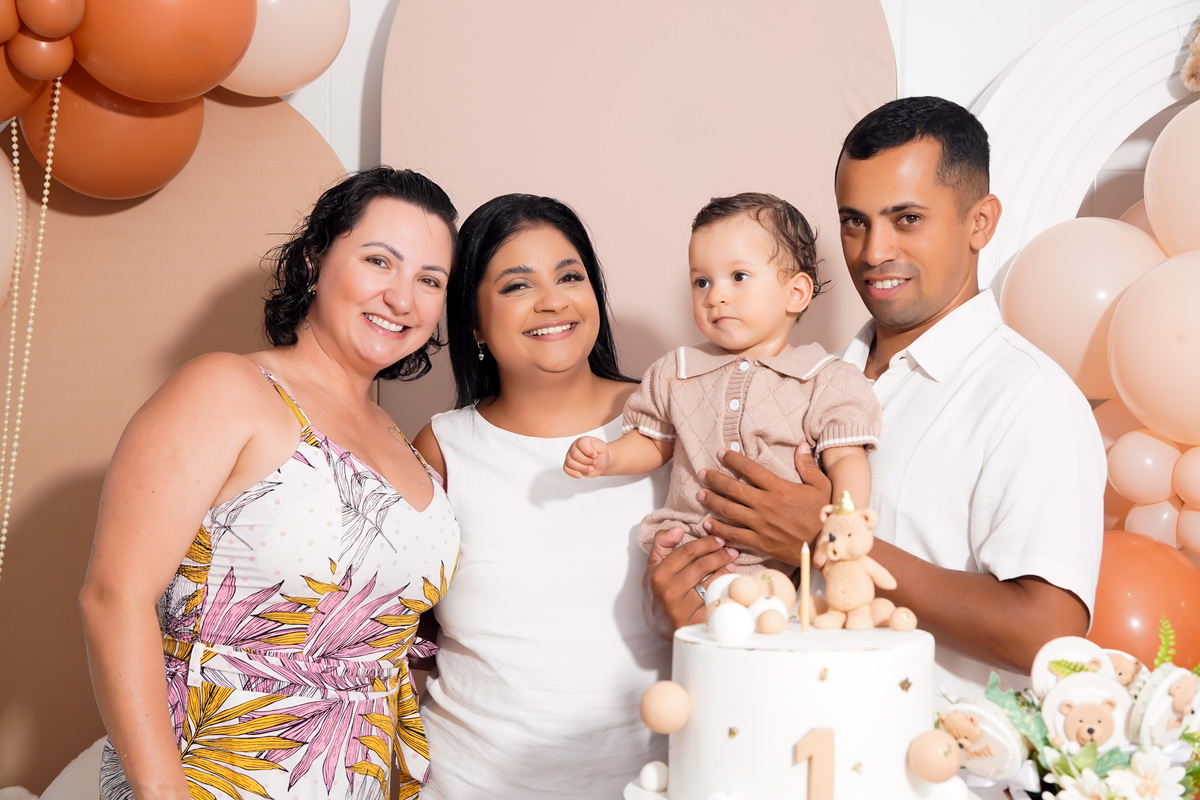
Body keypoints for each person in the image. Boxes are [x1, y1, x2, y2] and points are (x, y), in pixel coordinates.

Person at [645, 96, 1106, 703]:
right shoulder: (810, 379)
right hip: (780, 728)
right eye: (854, 221)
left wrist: (829, 541)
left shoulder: (1030, 398)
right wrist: (692, 599)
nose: (872, 251)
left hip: (930, 754)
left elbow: (1047, 634)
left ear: (980, 222)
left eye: (907, 218)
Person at [78, 167, 461, 800]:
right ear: (314, 260)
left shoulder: (407, 444)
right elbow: (113, 599)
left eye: (430, 280)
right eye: (378, 261)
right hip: (213, 771)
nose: (402, 298)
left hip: (357, 774)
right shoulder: (227, 389)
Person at [413, 194, 670, 799]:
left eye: (570, 277)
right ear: (474, 322)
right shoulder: (443, 448)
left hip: (653, 782)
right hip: (468, 785)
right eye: (517, 285)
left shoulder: (669, 419)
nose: (553, 301)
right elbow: (397, 631)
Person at [563, 193, 880, 574]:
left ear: (795, 293)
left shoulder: (825, 379)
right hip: (691, 546)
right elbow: (653, 442)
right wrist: (608, 456)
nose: (715, 296)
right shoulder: (676, 371)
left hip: (777, 562)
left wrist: (846, 521)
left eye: (738, 277)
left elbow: (846, 458)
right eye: (701, 282)